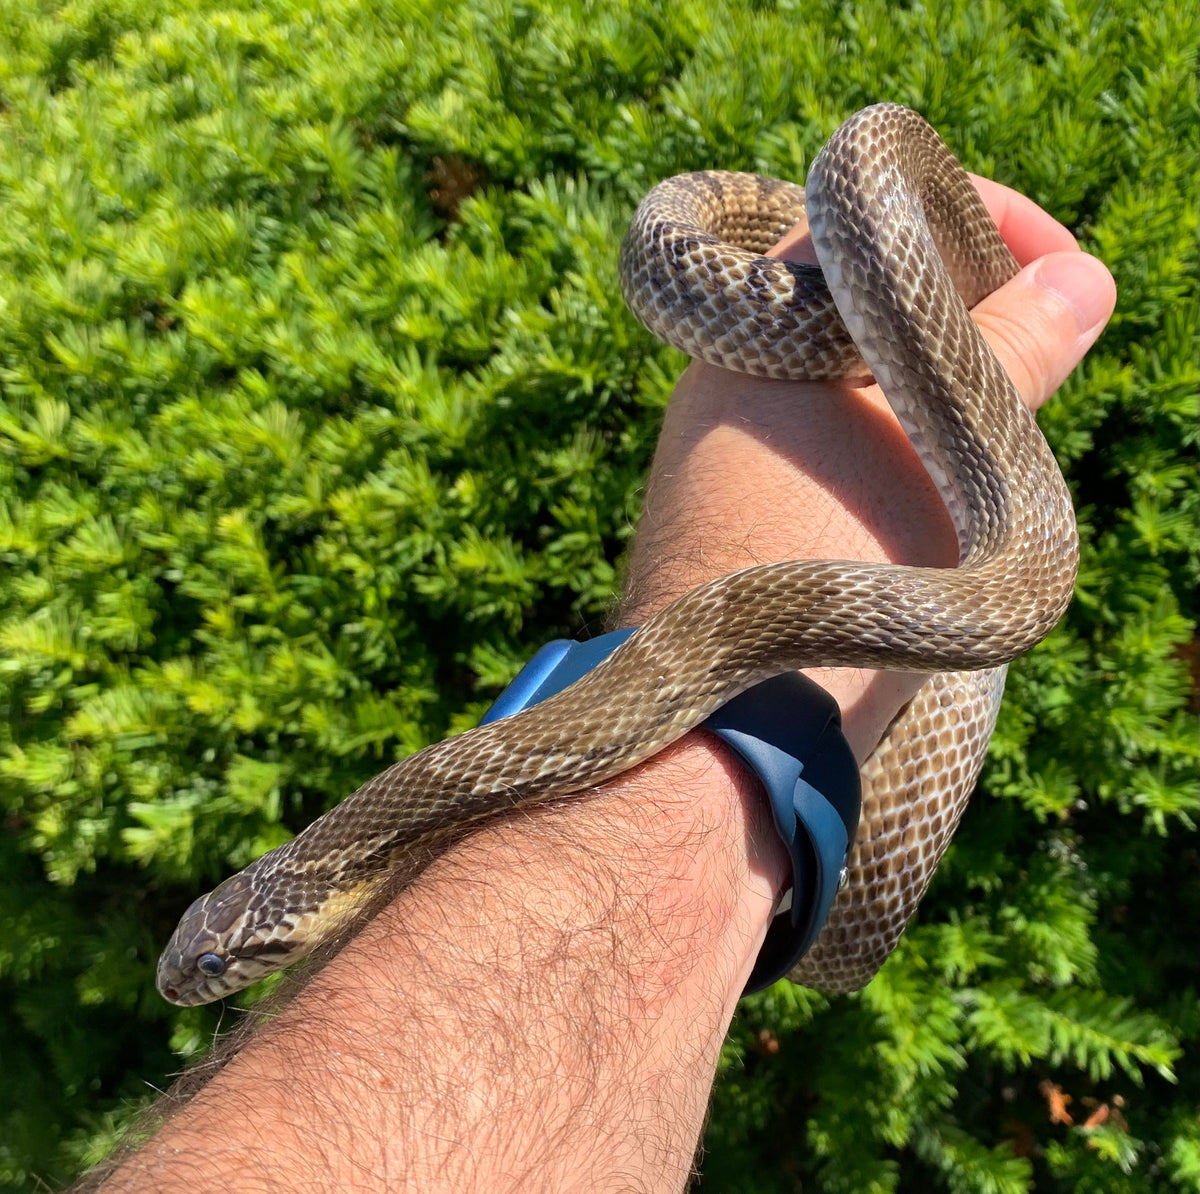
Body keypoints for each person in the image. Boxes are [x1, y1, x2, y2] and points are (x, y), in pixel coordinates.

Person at [90, 178, 1114, 1194]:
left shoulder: (387, 838)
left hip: (894, 449)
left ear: (291, 917)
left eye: (224, 969)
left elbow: (1010, 593)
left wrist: (923, 320)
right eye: (217, 970)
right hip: (878, 565)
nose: (205, 986)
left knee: (869, 186)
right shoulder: (371, 838)